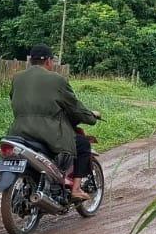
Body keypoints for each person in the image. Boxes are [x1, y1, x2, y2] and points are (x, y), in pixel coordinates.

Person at [9, 44, 99, 200]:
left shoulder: (17, 78)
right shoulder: (57, 79)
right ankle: (76, 189)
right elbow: (74, 106)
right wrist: (91, 117)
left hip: (19, 132)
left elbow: (13, 99)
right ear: (49, 61)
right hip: (48, 134)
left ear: (31, 60)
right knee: (83, 144)